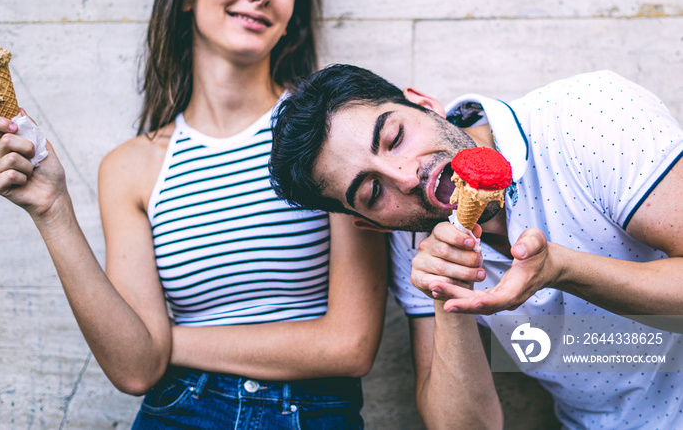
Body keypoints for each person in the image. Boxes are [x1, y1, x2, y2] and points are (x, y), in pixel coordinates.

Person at [0, 0, 387, 428]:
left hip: (310, 413)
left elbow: (350, 345)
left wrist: (163, 344)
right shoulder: (129, 168)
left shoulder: (334, 137)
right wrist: (52, 211)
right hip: (179, 411)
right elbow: (135, 370)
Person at [268, 63, 683, 428]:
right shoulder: (412, 244)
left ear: (425, 104)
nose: (406, 176)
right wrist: (449, 303)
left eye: (394, 137)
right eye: (374, 191)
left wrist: (562, 269)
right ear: (371, 224)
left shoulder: (589, 114)